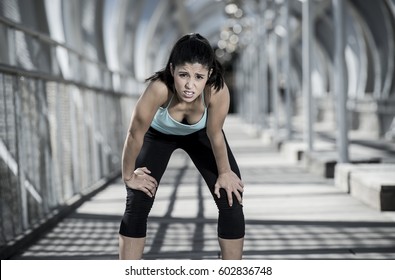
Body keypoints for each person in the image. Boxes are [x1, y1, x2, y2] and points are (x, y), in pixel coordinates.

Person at [118, 33, 245, 260]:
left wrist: (225, 173)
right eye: (183, 74)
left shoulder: (217, 91)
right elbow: (135, 134)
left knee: (231, 197)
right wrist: (128, 176)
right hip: (158, 136)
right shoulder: (159, 89)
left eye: (198, 77)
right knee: (137, 200)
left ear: (210, 74)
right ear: (172, 69)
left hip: (201, 135)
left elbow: (215, 133)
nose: (190, 85)